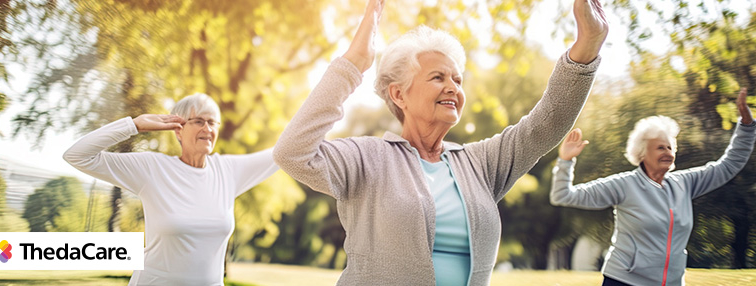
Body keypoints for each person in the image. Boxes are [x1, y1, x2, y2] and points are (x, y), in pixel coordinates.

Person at [272, 0, 608, 284]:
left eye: (457, 79)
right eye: (438, 77)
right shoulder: (368, 157)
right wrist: (354, 64)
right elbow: (292, 152)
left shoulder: (480, 164)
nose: (453, 87)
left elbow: (547, 123)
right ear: (399, 94)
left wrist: (589, 43)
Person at [63, 93, 278, 285]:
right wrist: (134, 125)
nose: (208, 128)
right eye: (199, 121)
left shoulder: (228, 171)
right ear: (178, 130)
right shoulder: (153, 168)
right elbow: (77, 155)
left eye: (213, 122)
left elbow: (283, 153)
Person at [550, 88, 755, 286]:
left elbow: (729, 165)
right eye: (660, 147)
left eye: (670, 147)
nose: (667, 151)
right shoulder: (623, 185)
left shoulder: (685, 183)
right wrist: (566, 161)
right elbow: (563, 195)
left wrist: (746, 126)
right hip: (624, 281)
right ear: (641, 153)